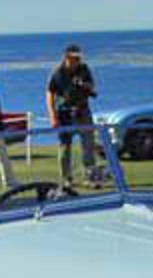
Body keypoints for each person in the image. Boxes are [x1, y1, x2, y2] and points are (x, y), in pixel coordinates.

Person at [47, 45, 102, 190]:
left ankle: (90, 177)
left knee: (88, 146)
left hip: (83, 111)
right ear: (67, 57)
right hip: (64, 113)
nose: (78, 61)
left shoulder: (84, 69)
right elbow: (49, 93)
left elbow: (92, 86)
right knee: (65, 148)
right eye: (75, 58)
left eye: (79, 58)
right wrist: (53, 116)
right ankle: (66, 179)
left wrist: (84, 85)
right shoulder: (58, 73)